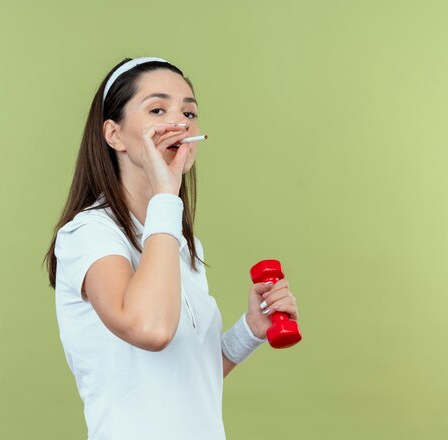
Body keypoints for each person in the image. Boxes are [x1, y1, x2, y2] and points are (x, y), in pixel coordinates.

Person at [43, 56, 299, 440]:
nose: (180, 122)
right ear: (114, 135)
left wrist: (249, 331)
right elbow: (150, 329)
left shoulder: (176, 241)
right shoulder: (89, 234)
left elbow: (187, 375)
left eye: (190, 112)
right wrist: (167, 193)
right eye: (158, 108)